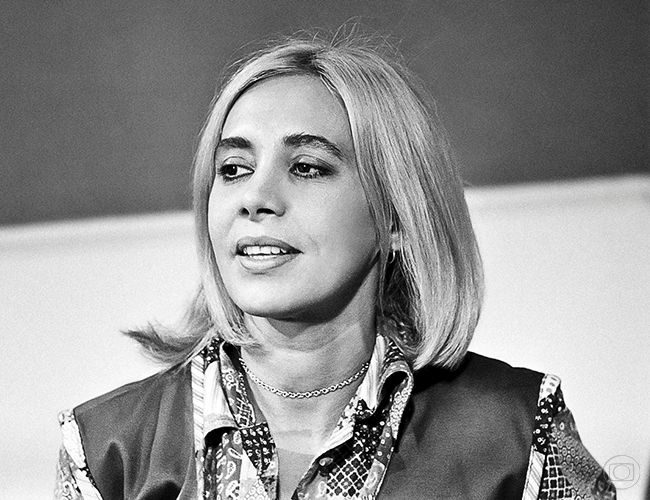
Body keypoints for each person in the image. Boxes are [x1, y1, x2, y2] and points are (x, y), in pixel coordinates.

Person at [55, 32, 616, 500]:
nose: (255, 198)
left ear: (396, 216)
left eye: (307, 167)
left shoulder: (518, 431)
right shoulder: (107, 449)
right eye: (233, 169)